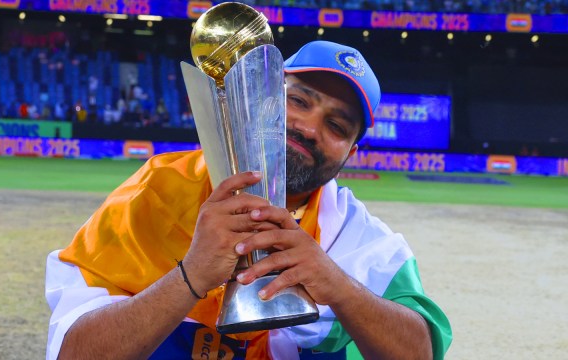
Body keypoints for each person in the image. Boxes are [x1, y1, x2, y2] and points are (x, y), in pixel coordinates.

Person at [45, 40, 452, 359]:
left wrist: (337, 286)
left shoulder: (362, 242)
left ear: (351, 153)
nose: (309, 127)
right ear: (265, 96)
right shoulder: (154, 193)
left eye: (336, 125)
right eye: (299, 101)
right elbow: (74, 352)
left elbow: (421, 352)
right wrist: (189, 278)